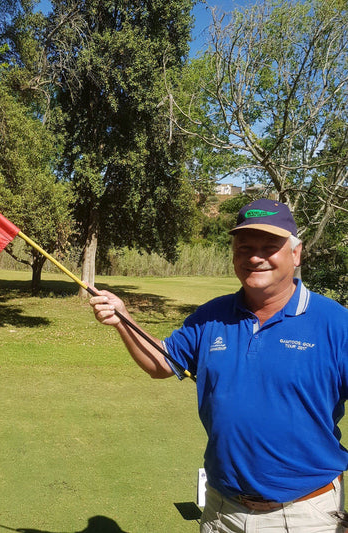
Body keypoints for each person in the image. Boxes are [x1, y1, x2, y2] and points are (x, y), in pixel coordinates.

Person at [89, 198, 348, 533]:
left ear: (295, 254)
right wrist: (123, 320)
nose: (255, 257)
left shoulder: (336, 324)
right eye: (244, 248)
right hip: (221, 510)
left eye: (270, 246)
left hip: (305, 514)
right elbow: (161, 363)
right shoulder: (211, 315)